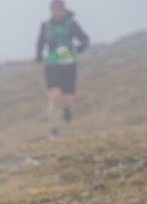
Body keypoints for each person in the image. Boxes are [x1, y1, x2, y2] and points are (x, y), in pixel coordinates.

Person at [35, 0, 90, 139]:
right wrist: (38, 55)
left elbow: (84, 39)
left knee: (67, 98)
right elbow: (40, 41)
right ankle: (53, 130)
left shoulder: (72, 24)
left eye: (59, 10)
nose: (57, 12)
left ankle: (67, 109)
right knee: (54, 95)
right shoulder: (46, 26)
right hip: (52, 64)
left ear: (64, 10)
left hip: (69, 63)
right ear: (51, 11)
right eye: (54, 10)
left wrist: (80, 48)